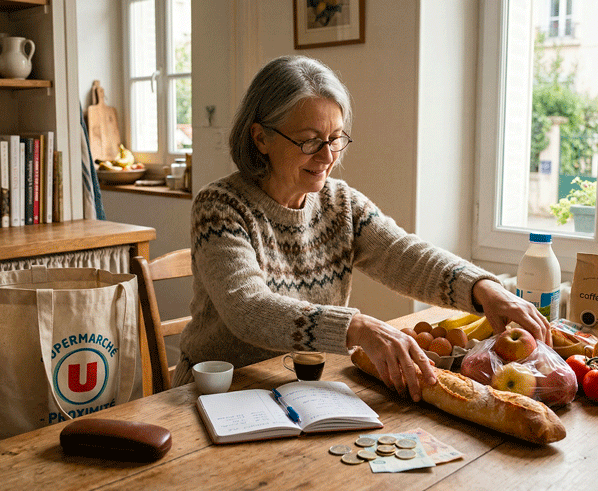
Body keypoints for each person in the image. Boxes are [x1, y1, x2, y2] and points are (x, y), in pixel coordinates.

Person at [172, 55, 550, 401]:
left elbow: (402, 255)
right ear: (261, 138)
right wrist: (356, 326)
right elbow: (248, 308)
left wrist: (484, 289)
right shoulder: (220, 207)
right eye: (309, 141)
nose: (327, 156)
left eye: (335, 138)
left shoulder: (340, 203)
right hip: (218, 391)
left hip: (302, 387)